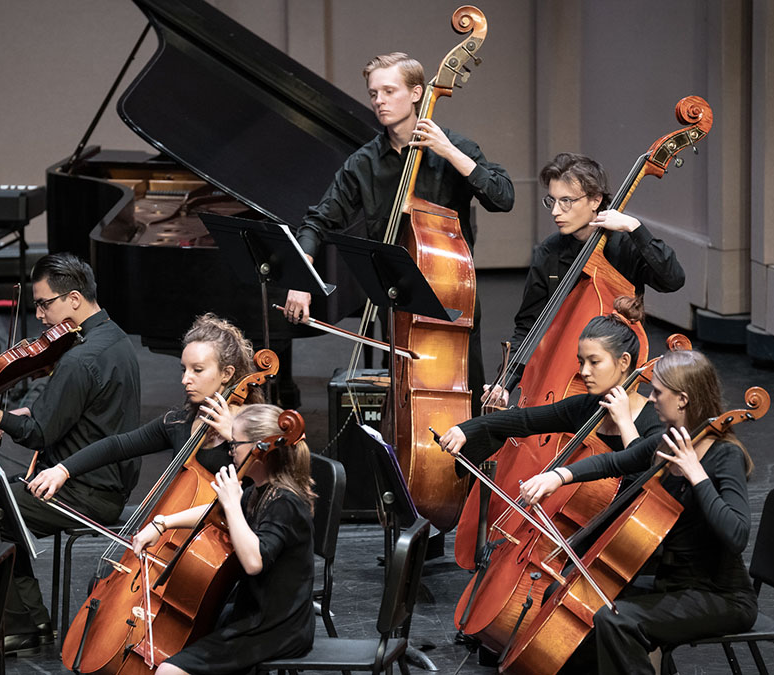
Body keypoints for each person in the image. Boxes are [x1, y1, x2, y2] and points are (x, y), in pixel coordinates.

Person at [284, 52, 514, 412]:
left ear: (417, 92)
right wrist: (300, 277)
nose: (379, 101)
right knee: (404, 398)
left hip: (450, 295)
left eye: (389, 91)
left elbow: (503, 198)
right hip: (394, 297)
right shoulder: (364, 163)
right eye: (374, 93)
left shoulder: (454, 149)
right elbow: (319, 219)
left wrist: (450, 152)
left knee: (462, 393)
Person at [0, 252, 140, 654]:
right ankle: (29, 619)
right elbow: (66, 406)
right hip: (103, 481)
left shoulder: (81, 358)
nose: (38, 315)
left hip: (83, 490)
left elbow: (37, 433)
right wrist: (20, 411)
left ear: (73, 298)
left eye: (44, 303)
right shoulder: (114, 338)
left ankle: (23, 622)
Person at [518, 350, 757, 674]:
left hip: (720, 596)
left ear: (683, 400)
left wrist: (695, 474)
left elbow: (737, 534)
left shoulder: (725, 455)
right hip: (671, 585)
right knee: (564, 596)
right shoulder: (664, 441)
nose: (651, 399)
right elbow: (613, 461)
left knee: (617, 622)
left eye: (658, 392)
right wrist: (557, 476)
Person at [132, 404, 316, 675]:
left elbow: (254, 561)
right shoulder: (260, 490)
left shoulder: (285, 503)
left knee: (168, 671)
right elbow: (211, 512)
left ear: (261, 450)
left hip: (276, 627)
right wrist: (162, 523)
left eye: (235, 444)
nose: (231, 451)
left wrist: (231, 505)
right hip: (252, 612)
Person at [492, 152, 685, 400]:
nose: (555, 212)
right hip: (556, 369)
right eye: (552, 201)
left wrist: (635, 228)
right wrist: (505, 382)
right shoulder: (549, 252)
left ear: (595, 200)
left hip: (611, 373)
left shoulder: (624, 245)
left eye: (566, 201)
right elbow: (529, 325)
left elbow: (673, 279)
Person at [27, 312, 264, 502]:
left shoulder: (253, 426)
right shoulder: (179, 422)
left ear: (227, 373)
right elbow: (118, 445)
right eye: (184, 369)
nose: (185, 380)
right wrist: (63, 470)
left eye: (197, 370)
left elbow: (270, 489)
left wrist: (234, 437)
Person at [437, 296, 664, 464]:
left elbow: (644, 477)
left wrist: (624, 422)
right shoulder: (586, 407)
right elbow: (523, 420)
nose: (584, 372)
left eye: (594, 362)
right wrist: (465, 428)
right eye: (581, 362)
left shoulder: (655, 420)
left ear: (624, 362)